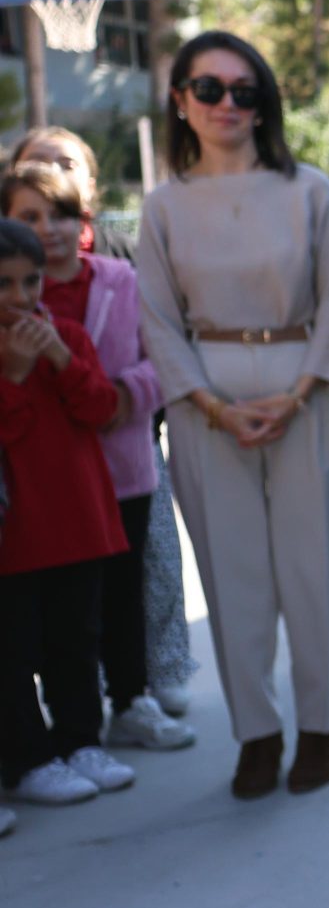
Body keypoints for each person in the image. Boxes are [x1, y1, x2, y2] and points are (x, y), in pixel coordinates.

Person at [138, 31, 329, 800]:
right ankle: (257, 735)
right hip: (209, 398)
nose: (228, 104)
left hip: (309, 386)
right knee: (232, 575)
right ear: (180, 101)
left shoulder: (310, 189)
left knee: (319, 565)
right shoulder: (163, 205)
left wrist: (299, 392)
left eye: (245, 90)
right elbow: (158, 320)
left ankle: (323, 726)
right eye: (210, 89)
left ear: (264, 102)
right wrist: (207, 403)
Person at [1, 164, 192, 752]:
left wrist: (123, 397)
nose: (48, 228)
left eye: (58, 214)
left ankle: (125, 704)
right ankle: (40, 743)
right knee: (43, 623)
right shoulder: (18, 311)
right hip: (38, 493)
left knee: (119, 595)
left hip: (117, 476)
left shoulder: (117, 280)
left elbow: (159, 358)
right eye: (30, 216)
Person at [0, 216, 135, 807]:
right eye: (4, 284)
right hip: (19, 533)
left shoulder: (69, 336)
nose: (21, 298)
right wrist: (16, 374)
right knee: (14, 650)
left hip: (80, 522)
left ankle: (82, 740)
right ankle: (28, 758)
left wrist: (60, 358)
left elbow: (102, 407)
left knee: (76, 641)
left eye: (30, 282)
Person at [9, 126, 136, 259]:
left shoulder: (131, 257)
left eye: (67, 166)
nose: (53, 173)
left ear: (90, 187)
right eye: (37, 164)